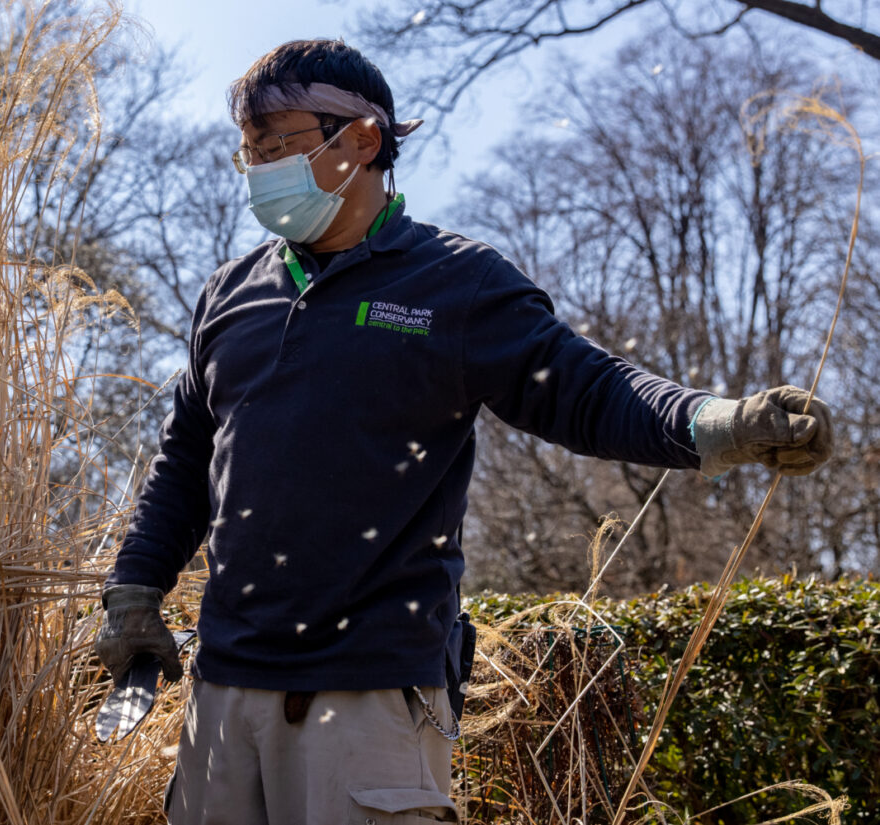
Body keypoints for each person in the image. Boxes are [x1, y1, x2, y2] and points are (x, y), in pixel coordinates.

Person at [95, 38, 835, 825]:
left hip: (368, 701)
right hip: (223, 699)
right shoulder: (230, 294)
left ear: (364, 140)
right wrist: (135, 588)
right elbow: (186, 460)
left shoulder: (455, 283)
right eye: (250, 152)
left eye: (280, 145)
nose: (262, 168)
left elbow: (589, 389)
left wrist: (721, 422)